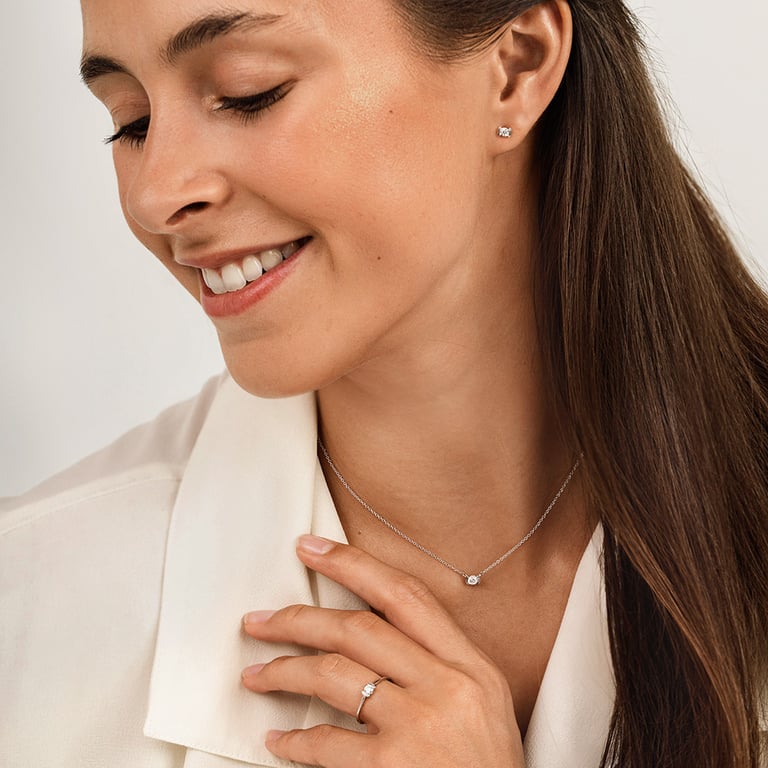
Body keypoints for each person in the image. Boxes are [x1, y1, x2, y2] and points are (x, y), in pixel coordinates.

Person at [1, 0, 766, 766]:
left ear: (517, 67)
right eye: (131, 123)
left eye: (248, 92)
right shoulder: (32, 613)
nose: (155, 194)